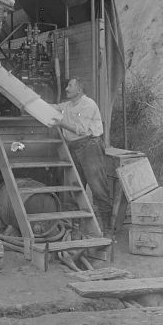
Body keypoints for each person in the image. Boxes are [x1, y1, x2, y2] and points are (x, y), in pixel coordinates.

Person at [50, 77, 112, 234]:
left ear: (79, 89)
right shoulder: (68, 105)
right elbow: (54, 108)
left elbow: (82, 129)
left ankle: (107, 230)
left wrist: (60, 123)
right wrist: (33, 103)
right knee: (76, 189)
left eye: (70, 86)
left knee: (98, 188)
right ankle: (79, 229)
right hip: (75, 147)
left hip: (89, 147)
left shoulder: (88, 104)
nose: (66, 89)